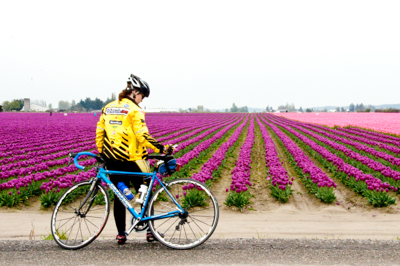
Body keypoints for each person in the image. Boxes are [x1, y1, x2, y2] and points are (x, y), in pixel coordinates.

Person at [95, 74, 174, 244]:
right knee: (146, 194)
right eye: (142, 96)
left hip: (112, 161)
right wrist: (162, 148)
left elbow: (100, 132)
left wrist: (102, 152)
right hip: (134, 160)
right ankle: (150, 232)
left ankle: (121, 233)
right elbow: (142, 136)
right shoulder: (135, 111)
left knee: (120, 196)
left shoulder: (107, 108)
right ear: (135, 92)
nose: (142, 100)